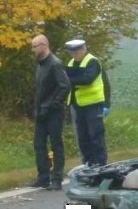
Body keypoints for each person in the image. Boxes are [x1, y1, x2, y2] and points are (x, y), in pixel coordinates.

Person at [29, 35, 70, 189]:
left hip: (54, 112)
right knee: (39, 144)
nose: (33, 50)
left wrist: (52, 104)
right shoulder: (40, 64)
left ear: (44, 45)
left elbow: (64, 86)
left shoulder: (55, 63)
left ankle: (57, 179)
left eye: (35, 46)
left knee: (56, 144)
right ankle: (43, 177)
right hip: (41, 112)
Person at [65, 39, 109, 167]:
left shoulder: (92, 61)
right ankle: (88, 162)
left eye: (76, 51)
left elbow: (87, 79)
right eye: (72, 52)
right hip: (78, 105)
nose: (74, 55)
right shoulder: (71, 63)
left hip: (93, 104)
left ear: (83, 50)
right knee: (83, 137)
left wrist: (107, 104)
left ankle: (100, 163)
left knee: (96, 135)